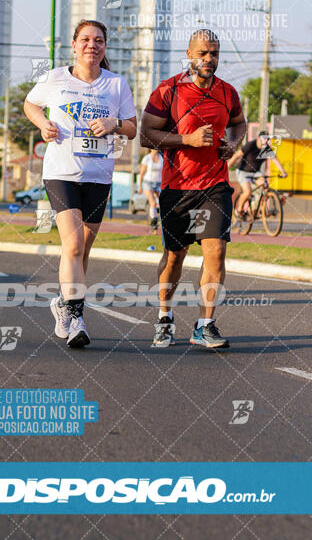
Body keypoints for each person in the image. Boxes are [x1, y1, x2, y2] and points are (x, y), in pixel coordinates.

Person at [24, 19, 136, 348]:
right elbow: (31, 104)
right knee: (72, 245)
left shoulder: (116, 85)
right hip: (61, 173)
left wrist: (114, 123)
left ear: (104, 47)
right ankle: (76, 318)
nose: (92, 45)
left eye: (98, 40)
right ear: (74, 45)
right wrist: (44, 123)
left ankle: (63, 302)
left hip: (99, 175)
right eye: (85, 39)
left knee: (82, 249)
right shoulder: (55, 78)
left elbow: (132, 127)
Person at [140, 29, 246, 349]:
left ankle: (205, 324)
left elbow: (239, 123)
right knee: (175, 258)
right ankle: (164, 316)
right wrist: (185, 140)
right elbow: (145, 135)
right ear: (189, 54)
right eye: (202, 53)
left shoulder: (227, 93)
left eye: (213, 53)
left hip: (215, 184)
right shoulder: (168, 90)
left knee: (216, 249)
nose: (208, 59)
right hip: (177, 187)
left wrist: (233, 145)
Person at [227, 130, 287, 218]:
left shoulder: (266, 149)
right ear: (259, 138)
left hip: (255, 173)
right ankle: (239, 210)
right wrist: (227, 167)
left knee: (265, 187)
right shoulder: (250, 145)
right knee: (247, 192)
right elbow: (237, 155)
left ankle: (256, 208)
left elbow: (275, 160)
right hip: (243, 172)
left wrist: (283, 172)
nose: (265, 142)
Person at [138, 149, 163, 229]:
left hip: (159, 183)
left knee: (162, 202)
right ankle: (154, 222)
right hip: (148, 183)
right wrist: (140, 186)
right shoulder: (147, 158)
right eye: (154, 147)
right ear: (150, 148)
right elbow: (142, 173)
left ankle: (162, 220)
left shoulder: (161, 158)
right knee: (153, 203)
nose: (156, 149)